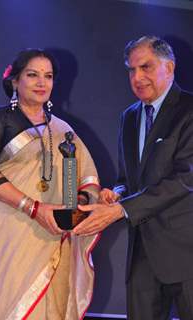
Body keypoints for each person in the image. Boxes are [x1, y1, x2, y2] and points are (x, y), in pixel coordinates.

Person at [73, 36, 193, 319]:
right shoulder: (129, 117)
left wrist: (120, 209)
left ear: (170, 67)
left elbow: (185, 177)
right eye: (131, 70)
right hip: (141, 252)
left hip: (187, 252)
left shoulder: (189, 109)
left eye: (146, 67)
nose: (137, 77)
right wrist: (116, 192)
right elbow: (128, 177)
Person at [0, 48, 100, 320]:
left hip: (53, 235)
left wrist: (75, 209)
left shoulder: (63, 130)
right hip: (7, 231)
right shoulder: (0, 119)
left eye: (48, 76)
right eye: (32, 75)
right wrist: (35, 209)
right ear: (15, 81)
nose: (41, 82)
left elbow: (84, 179)